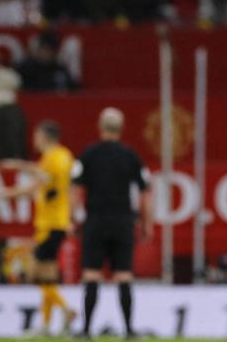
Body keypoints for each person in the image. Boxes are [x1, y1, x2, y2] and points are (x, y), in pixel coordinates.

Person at [71, 107, 153, 339]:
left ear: (100, 127)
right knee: (124, 274)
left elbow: (75, 189)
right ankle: (128, 330)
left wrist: (75, 219)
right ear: (122, 128)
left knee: (91, 274)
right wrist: (147, 223)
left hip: (96, 219)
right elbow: (146, 192)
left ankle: (86, 330)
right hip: (123, 221)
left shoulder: (88, 154)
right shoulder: (131, 156)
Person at [0, 121, 77, 336]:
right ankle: (46, 324)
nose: (34, 140)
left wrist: (14, 171)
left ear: (44, 136)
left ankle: (66, 310)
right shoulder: (55, 158)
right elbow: (41, 179)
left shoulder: (57, 158)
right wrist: (16, 170)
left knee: (38, 275)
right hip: (49, 224)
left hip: (53, 224)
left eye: (36, 135)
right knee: (46, 277)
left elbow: (41, 180)